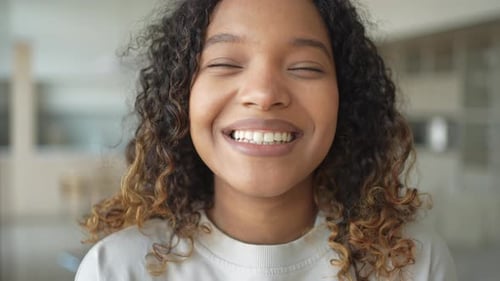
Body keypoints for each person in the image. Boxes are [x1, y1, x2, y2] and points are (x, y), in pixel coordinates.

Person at [75, 0, 457, 280]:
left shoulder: (411, 264)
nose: (263, 92)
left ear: (347, 99)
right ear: (179, 97)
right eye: (225, 63)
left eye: (304, 67)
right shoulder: (116, 269)